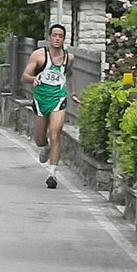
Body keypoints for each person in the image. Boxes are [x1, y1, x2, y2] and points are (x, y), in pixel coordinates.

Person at [22, 24, 81, 189]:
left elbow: (69, 75)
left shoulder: (69, 58)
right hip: (41, 100)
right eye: (54, 35)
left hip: (58, 99)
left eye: (60, 36)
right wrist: (33, 79)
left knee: (55, 133)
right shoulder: (39, 55)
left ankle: (52, 173)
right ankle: (45, 147)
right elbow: (25, 75)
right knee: (40, 139)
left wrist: (73, 94)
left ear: (63, 39)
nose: (57, 39)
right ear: (49, 37)